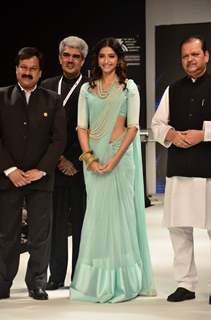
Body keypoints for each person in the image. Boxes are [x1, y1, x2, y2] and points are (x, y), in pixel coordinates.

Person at [70, 37, 155, 303]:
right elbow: (81, 127)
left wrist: (116, 159)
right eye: (102, 56)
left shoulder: (129, 88)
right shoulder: (87, 89)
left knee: (120, 217)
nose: (106, 61)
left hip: (121, 159)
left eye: (111, 56)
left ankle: (123, 280)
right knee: (96, 217)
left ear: (119, 59)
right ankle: (96, 280)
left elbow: (133, 127)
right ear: (97, 59)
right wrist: (90, 159)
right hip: (93, 159)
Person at [0, 47, 66, 300]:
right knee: (7, 234)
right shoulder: (1, 96)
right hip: (8, 178)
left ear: (40, 72)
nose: (27, 72)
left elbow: (58, 139)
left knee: (40, 233)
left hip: (41, 178)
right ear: (16, 69)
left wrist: (42, 169)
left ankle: (36, 283)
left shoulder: (53, 100)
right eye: (23, 67)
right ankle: (3, 283)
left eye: (32, 69)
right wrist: (10, 170)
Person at [151, 35, 211, 303]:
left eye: (195, 54)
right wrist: (172, 135)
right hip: (179, 169)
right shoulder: (172, 89)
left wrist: (204, 134)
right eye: (186, 56)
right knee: (179, 230)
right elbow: (156, 124)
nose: (190, 60)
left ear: (206, 56)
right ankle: (185, 285)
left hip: (209, 170)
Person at [41, 36, 88, 290]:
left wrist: (73, 161)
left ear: (83, 60)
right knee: (56, 225)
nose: (70, 60)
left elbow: (94, 131)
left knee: (81, 224)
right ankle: (56, 276)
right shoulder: (47, 86)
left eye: (76, 56)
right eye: (66, 55)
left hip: (81, 168)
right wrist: (58, 159)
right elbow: (42, 130)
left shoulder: (91, 87)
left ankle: (79, 276)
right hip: (54, 167)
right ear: (60, 58)